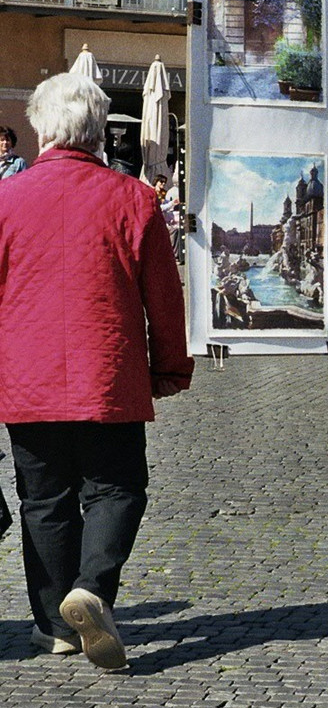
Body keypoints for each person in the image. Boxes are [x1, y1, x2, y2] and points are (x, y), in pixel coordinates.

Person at [1, 73, 193, 669]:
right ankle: (93, 589)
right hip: (104, 371)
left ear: (39, 127)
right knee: (116, 489)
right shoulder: (132, 199)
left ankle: (54, 623)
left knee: (44, 499)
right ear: (99, 131)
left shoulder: (5, 199)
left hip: (25, 377)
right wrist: (170, 365)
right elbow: (163, 295)